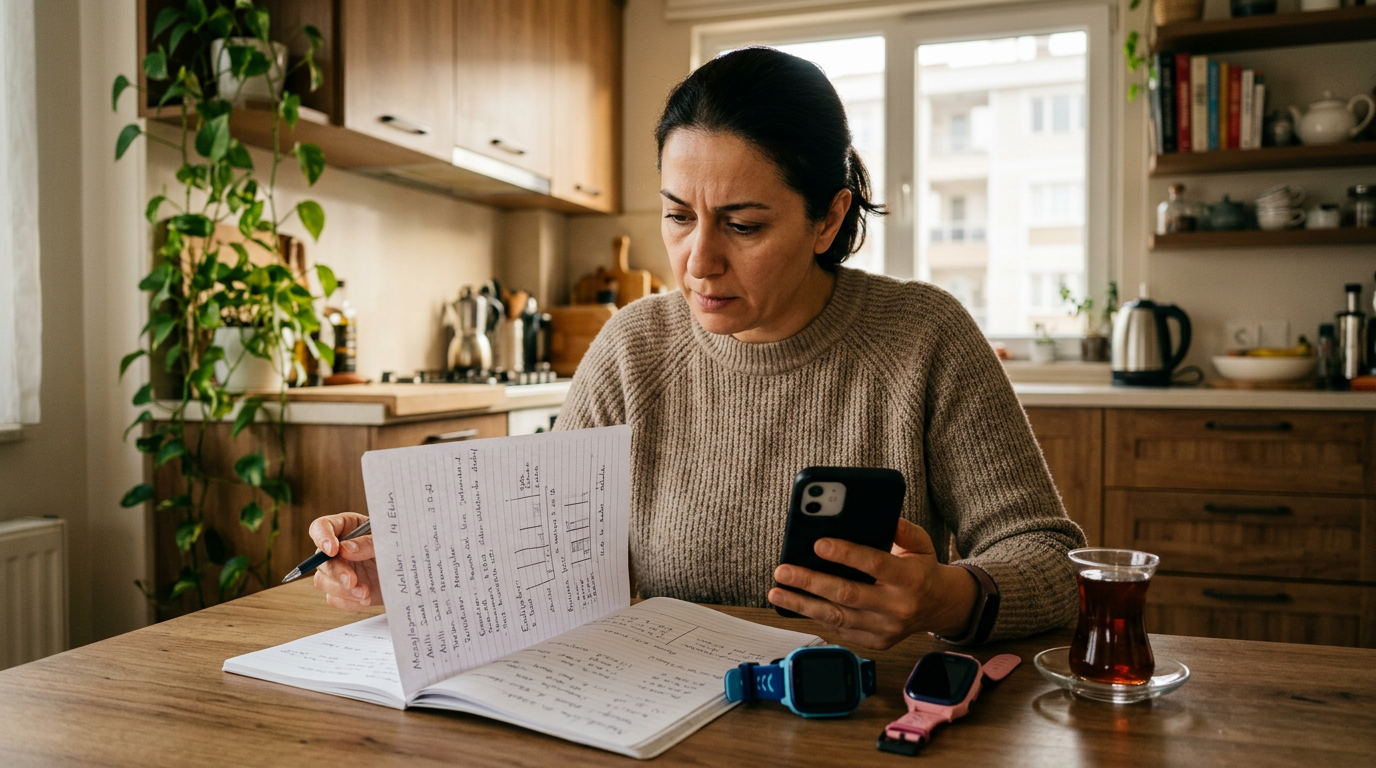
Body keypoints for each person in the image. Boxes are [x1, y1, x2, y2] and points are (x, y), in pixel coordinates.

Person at [308, 46, 1085, 650]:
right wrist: (410, 567)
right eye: (678, 216)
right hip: (657, 725)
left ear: (827, 218)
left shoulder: (924, 338)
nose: (698, 261)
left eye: (744, 225)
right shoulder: (633, 347)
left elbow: (1053, 561)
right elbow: (535, 550)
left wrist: (948, 596)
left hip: (864, 725)